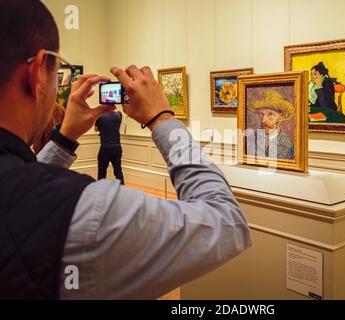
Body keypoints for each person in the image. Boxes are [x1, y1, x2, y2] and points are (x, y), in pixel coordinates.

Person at [0, 0, 251, 300]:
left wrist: (65, 137)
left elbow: (21, 186)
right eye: (58, 73)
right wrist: (162, 118)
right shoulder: (83, 212)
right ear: (39, 73)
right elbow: (225, 224)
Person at [247, 89, 294, 160]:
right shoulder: (251, 140)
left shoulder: (288, 146)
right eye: (261, 114)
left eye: (270, 114)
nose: (263, 120)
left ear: (280, 117)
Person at [95, 111, 125, 185]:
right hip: (117, 147)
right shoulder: (119, 114)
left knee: (102, 172)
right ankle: (122, 191)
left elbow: (96, 129)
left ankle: (101, 191)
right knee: (118, 171)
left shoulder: (100, 116)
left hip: (105, 148)